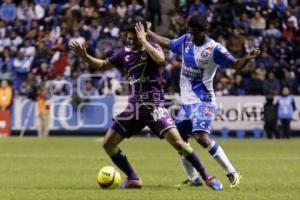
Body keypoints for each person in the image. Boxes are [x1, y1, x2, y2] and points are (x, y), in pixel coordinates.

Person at [70, 21, 223, 190]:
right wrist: (85, 56)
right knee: (108, 144)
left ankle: (207, 177)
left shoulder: (153, 47)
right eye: (129, 39)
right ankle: (134, 179)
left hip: (155, 106)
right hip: (134, 108)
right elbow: (102, 65)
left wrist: (144, 41)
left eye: (134, 39)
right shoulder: (124, 53)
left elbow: (160, 59)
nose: (131, 42)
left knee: (179, 144)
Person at [147, 14, 261, 188]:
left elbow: (236, 65)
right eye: (190, 31)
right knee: (179, 140)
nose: (191, 35)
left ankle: (232, 172)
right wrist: (149, 33)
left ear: (204, 30)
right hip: (186, 103)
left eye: (194, 32)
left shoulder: (215, 49)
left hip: (203, 101)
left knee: (201, 137)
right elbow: (168, 43)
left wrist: (247, 57)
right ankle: (194, 179)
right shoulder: (186, 40)